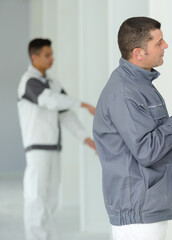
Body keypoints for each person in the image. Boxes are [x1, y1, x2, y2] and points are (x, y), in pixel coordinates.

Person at [93, 17, 172, 240]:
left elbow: (141, 143)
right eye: (159, 43)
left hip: (146, 206)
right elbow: (145, 150)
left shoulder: (139, 86)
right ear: (138, 53)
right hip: (137, 213)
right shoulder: (125, 93)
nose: (165, 46)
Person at [17, 38, 96, 240]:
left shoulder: (53, 83)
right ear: (34, 57)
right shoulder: (29, 81)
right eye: (47, 55)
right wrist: (82, 103)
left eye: (52, 54)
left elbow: (65, 113)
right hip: (37, 149)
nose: (52, 58)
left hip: (53, 148)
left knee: (50, 200)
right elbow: (49, 101)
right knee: (36, 197)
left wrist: (85, 138)